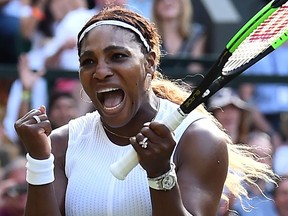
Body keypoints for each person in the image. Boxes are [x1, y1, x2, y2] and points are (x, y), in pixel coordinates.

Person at [14, 6, 275, 215]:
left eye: (117, 56)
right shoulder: (62, 143)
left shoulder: (199, 139)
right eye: (88, 61)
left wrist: (161, 174)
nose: (101, 71)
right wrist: (38, 160)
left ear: (150, 63)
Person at [152, 0, 207, 74]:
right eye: (162, 0)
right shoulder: (149, 35)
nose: (167, 2)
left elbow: (195, 69)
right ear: (156, 6)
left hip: (188, 83)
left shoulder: (196, 34)